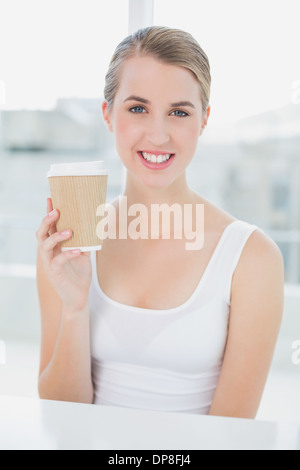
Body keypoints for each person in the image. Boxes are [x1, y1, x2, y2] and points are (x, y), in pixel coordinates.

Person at [36, 26, 284, 418]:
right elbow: (59, 414)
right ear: (108, 115)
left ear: (203, 120)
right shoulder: (70, 242)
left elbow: (233, 436)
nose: (158, 134)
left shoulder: (251, 258)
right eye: (137, 108)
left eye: (179, 112)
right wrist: (74, 307)